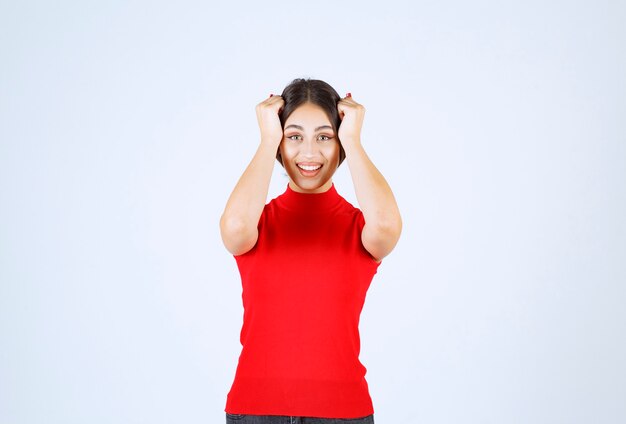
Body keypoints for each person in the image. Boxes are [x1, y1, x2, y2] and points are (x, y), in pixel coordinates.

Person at [220, 78, 402, 424]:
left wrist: (353, 140)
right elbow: (233, 232)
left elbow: (388, 230)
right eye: (294, 137)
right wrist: (267, 140)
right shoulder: (258, 223)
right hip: (256, 411)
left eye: (324, 137)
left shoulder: (358, 229)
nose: (308, 153)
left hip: (342, 413)